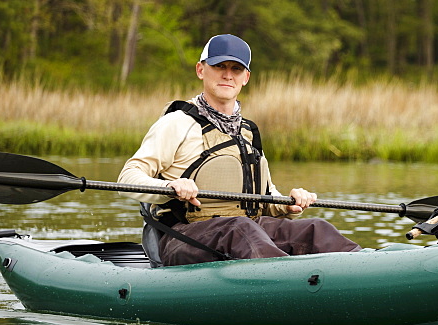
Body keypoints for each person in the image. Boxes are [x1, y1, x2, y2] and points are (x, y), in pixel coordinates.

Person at [119, 34, 360, 265]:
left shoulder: (248, 132)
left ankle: (366, 265)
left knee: (316, 228)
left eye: (236, 69)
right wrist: (169, 187)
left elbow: (265, 200)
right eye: (219, 66)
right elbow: (127, 177)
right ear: (201, 70)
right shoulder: (177, 123)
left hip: (247, 231)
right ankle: (291, 283)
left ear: (246, 77)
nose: (227, 75)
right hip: (182, 237)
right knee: (239, 229)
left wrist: (288, 204)